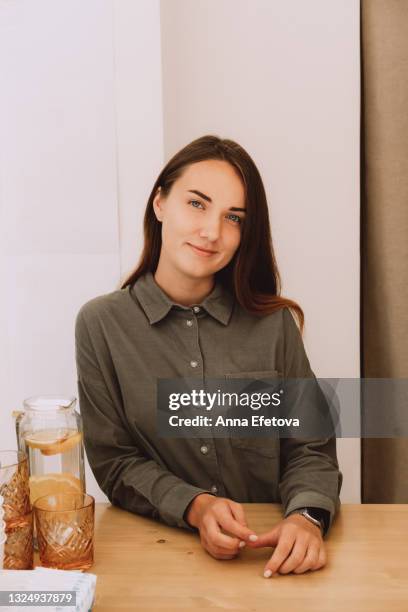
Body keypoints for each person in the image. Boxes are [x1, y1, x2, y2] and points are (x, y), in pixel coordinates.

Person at [75, 135, 342, 578]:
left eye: (233, 217)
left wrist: (306, 517)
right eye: (197, 204)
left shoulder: (274, 324)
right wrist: (195, 507)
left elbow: (310, 448)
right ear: (160, 203)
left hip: (271, 562)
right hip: (159, 564)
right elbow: (114, 461)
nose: (212, 232)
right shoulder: (101, 324)